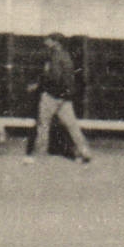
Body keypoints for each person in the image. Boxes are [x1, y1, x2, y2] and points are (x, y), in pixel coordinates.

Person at [26, 32, 93, 163]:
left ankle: (41, 154)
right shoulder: (66, 56)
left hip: (51, 95)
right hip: (65, 97)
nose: (46, 42)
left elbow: (54, 77)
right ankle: (85, 151)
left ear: (55, 42)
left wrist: (38, 85)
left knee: (43, 125)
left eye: (48, 40)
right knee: (72, 125)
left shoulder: (54, 57)